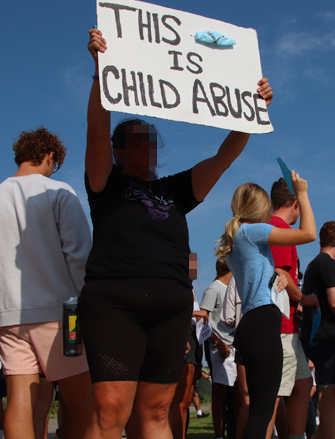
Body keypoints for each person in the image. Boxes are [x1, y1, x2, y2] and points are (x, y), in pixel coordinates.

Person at [81, 27, 273, 439]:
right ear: (116, 151)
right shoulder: (104, 184)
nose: (144, 148)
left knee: (157, 410)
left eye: (149, 141)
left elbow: (222, 159)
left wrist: (251, 111)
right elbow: (96, 131)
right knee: (111, 410)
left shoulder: (174, 189)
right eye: (132, 142)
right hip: (114, 305)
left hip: (169, 311)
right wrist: (101, 70)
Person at [0, 127, 94, 439]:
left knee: (19, 399)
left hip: (9, 314)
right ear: (50, 157)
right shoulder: (59, 192)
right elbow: (80, 256)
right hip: (65, 314)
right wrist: (90, 303)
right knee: (81, 400)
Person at [215, 172, 316, 439]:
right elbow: (308, 234)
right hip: (262, 324)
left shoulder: (237, 240)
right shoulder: (252, 231)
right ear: (261, 209)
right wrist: (302, 194)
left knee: (258, 415)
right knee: (261, 415)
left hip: (250, 324)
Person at [268, 178, 318, 439]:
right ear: (296, 203)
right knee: (275, 394)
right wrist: (305, 298)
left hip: (288, 327)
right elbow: (282, 277)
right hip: (283, 326)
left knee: (302, 383)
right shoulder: (281, 231)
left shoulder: (271, 227)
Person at [301, 221, 335, 439]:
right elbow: (334, 302)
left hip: (314, 336)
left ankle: (318, 435)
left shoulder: (312, 264)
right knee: (329, 396)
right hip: (325, 337)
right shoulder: (329, 264)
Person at [198, 260, 238, 439]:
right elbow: (202, 320)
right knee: (220, 393)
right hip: (219, 349)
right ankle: (219, 434)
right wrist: (218, 342)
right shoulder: (214, 289)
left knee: (236, 394)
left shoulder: (234, 289)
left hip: (236, 347)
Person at [169, 253, 205, 439]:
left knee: (185, 400)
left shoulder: (189, 289)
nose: (195, 268)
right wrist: (202, 314)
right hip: (184, 341)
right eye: (192, 264)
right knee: (179, 402)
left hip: (194, 342)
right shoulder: (177, 286)